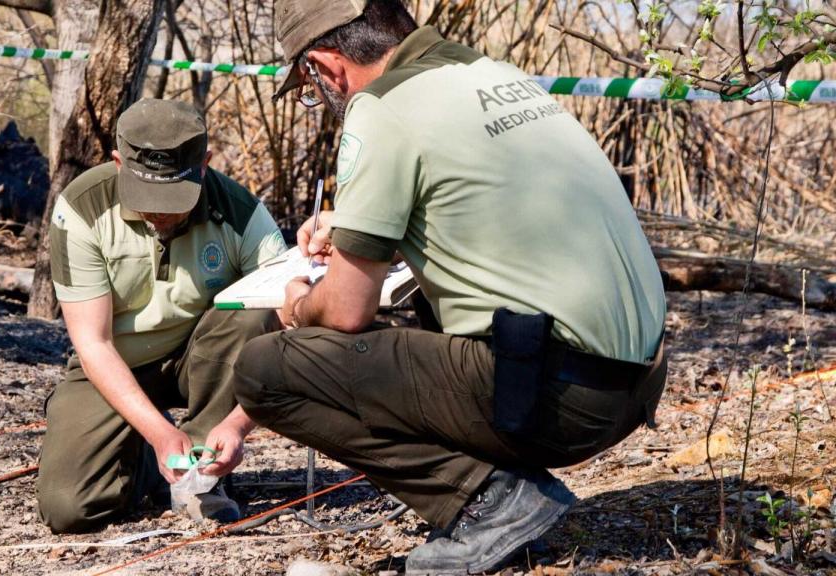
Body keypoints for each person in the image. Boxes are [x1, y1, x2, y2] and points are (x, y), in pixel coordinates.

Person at [232, 1, 668, 573]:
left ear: (327, 66)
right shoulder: (492, 75)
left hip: (564, 400)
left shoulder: (381, 106)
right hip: (638, 378)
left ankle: (490, 501)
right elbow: (492, 200)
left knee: (265, 370)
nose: (320, 97)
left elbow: (343, 312)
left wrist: (296, 301)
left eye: (310, 86)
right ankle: (495, 490)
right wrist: (352, 225)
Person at [36, 98, 287, 534]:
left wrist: (238, 423)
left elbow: (288, 326)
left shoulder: (243, 214)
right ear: (117, 163)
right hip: (116, 363)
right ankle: (152, 460)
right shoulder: (81, 209)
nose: (161, 211)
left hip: (203, 359)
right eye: (148, 195)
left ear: (204, 165)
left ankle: (203, 479)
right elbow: (93, 343)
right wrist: (156, 433)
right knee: (69, 508)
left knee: (253, 315)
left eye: (174, 196)